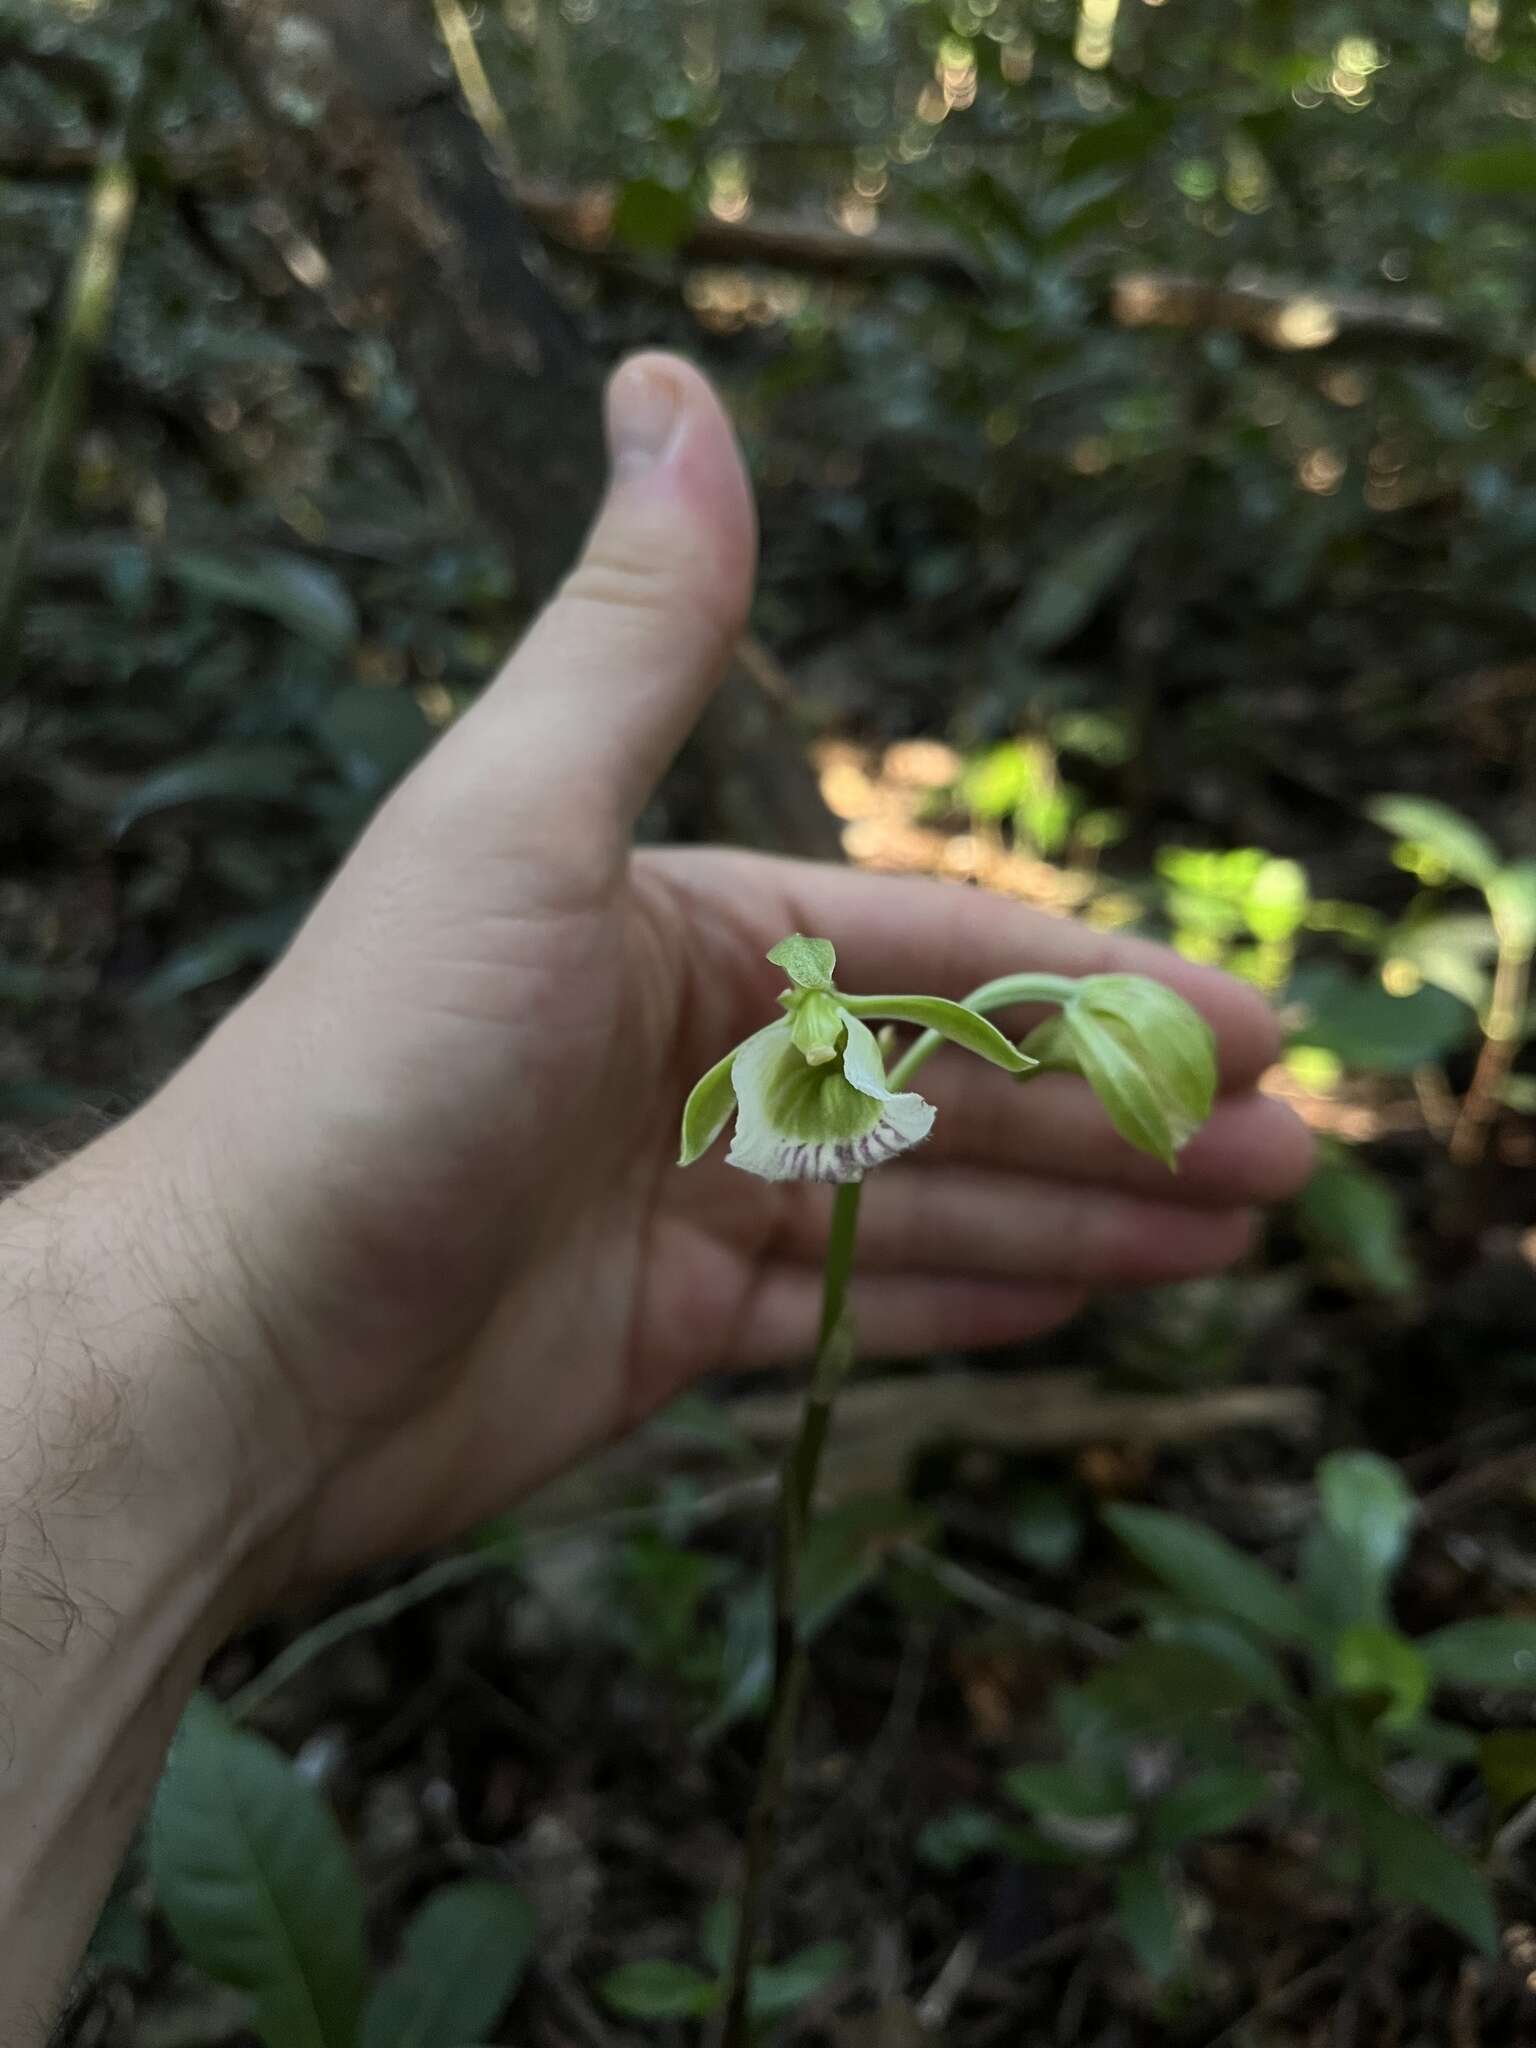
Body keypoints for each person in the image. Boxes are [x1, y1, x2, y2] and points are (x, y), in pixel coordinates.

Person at [0, 354, 1313, 2040]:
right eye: (818, 1017)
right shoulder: (758, 1082)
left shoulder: (813, 1079)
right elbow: (737, 1119)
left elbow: (763, 1117)